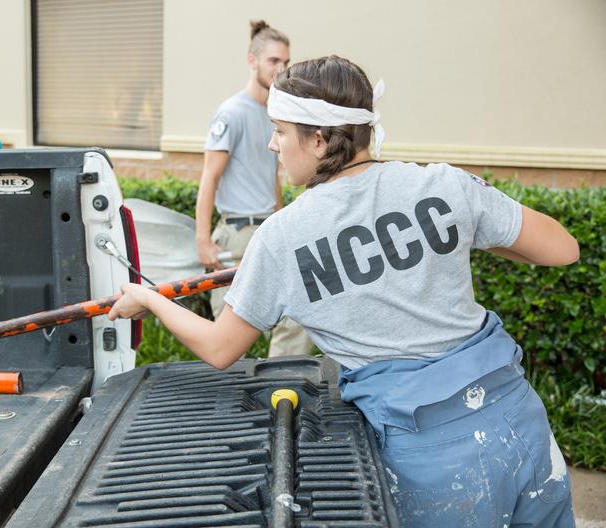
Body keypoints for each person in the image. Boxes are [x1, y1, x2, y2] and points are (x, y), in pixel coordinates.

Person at [109, 55, 579, 527]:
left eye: (279, 131)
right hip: (520, 421)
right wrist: (462, 229)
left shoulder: (283, 237)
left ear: (318, 139)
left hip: (431, 462)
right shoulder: (445, 183)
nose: (272, 144)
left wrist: (150, 299)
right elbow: (562, 249)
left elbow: (220, 348)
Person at [195, 20, 313, 358]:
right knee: (229, 339)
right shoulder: (231, 113)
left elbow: (271, 174)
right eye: (273, 60)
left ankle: (283, 382)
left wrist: (282, 219)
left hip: (269, 229)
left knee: (298, 311)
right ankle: (236, 389)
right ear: (253, 60)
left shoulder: (275, 114)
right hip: (237, 235)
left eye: (285, 62)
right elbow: (209, 176)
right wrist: (203, 240)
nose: (281, 69)